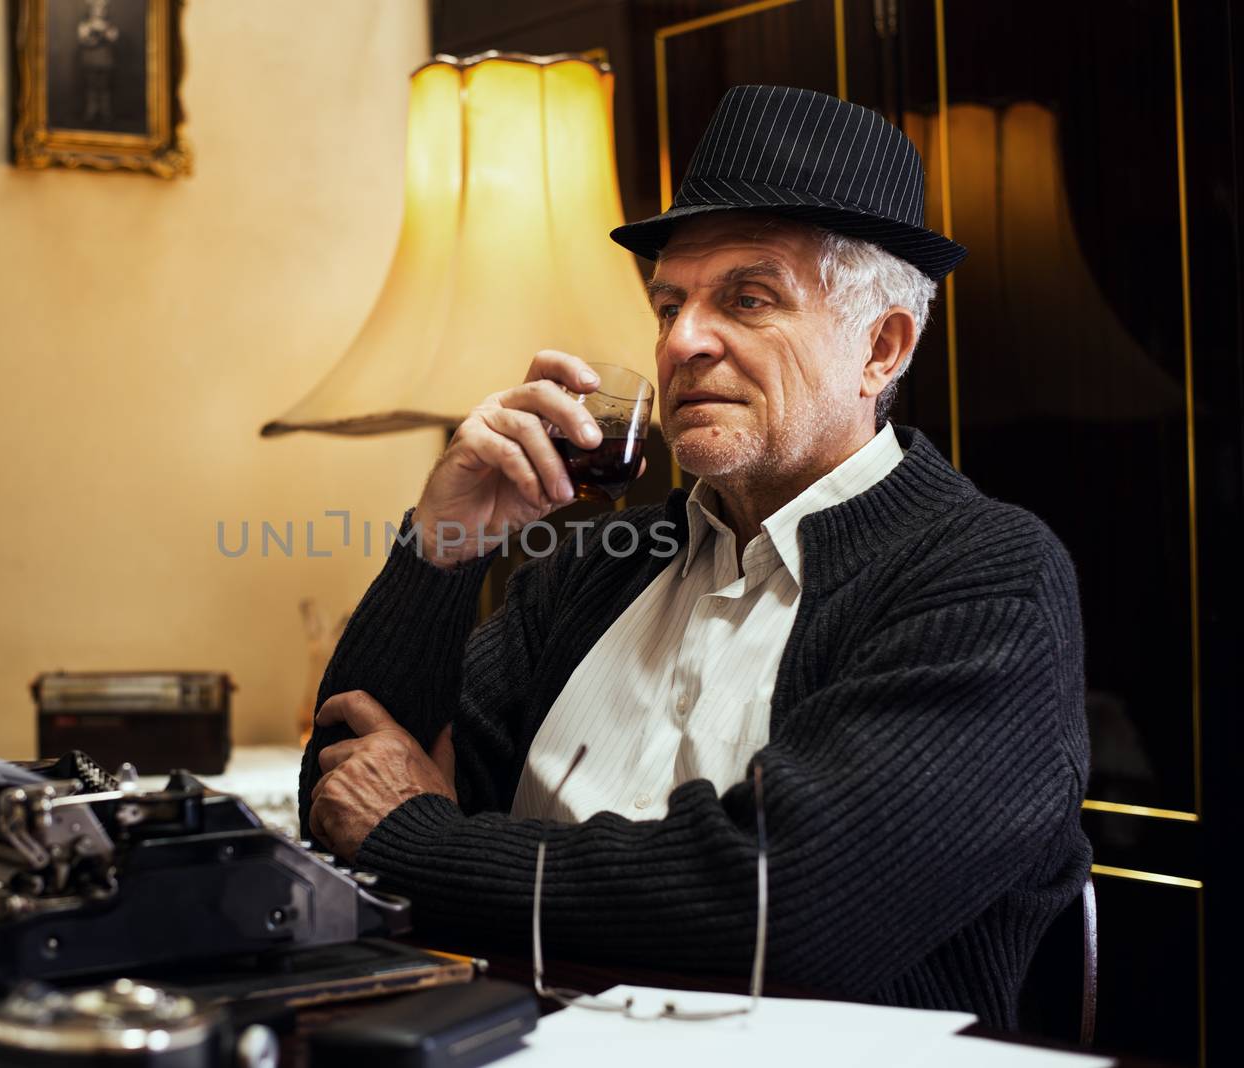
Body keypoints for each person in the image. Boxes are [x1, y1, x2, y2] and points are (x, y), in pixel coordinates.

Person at [298, 84, 1090, 1029]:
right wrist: (445, 547)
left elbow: (783, 910)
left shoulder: (984, 576)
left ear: (882, 347)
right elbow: (346, 785)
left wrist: (421, 845)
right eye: (668, 303)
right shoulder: (598, 565)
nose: (682, 341)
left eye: (747, 300)